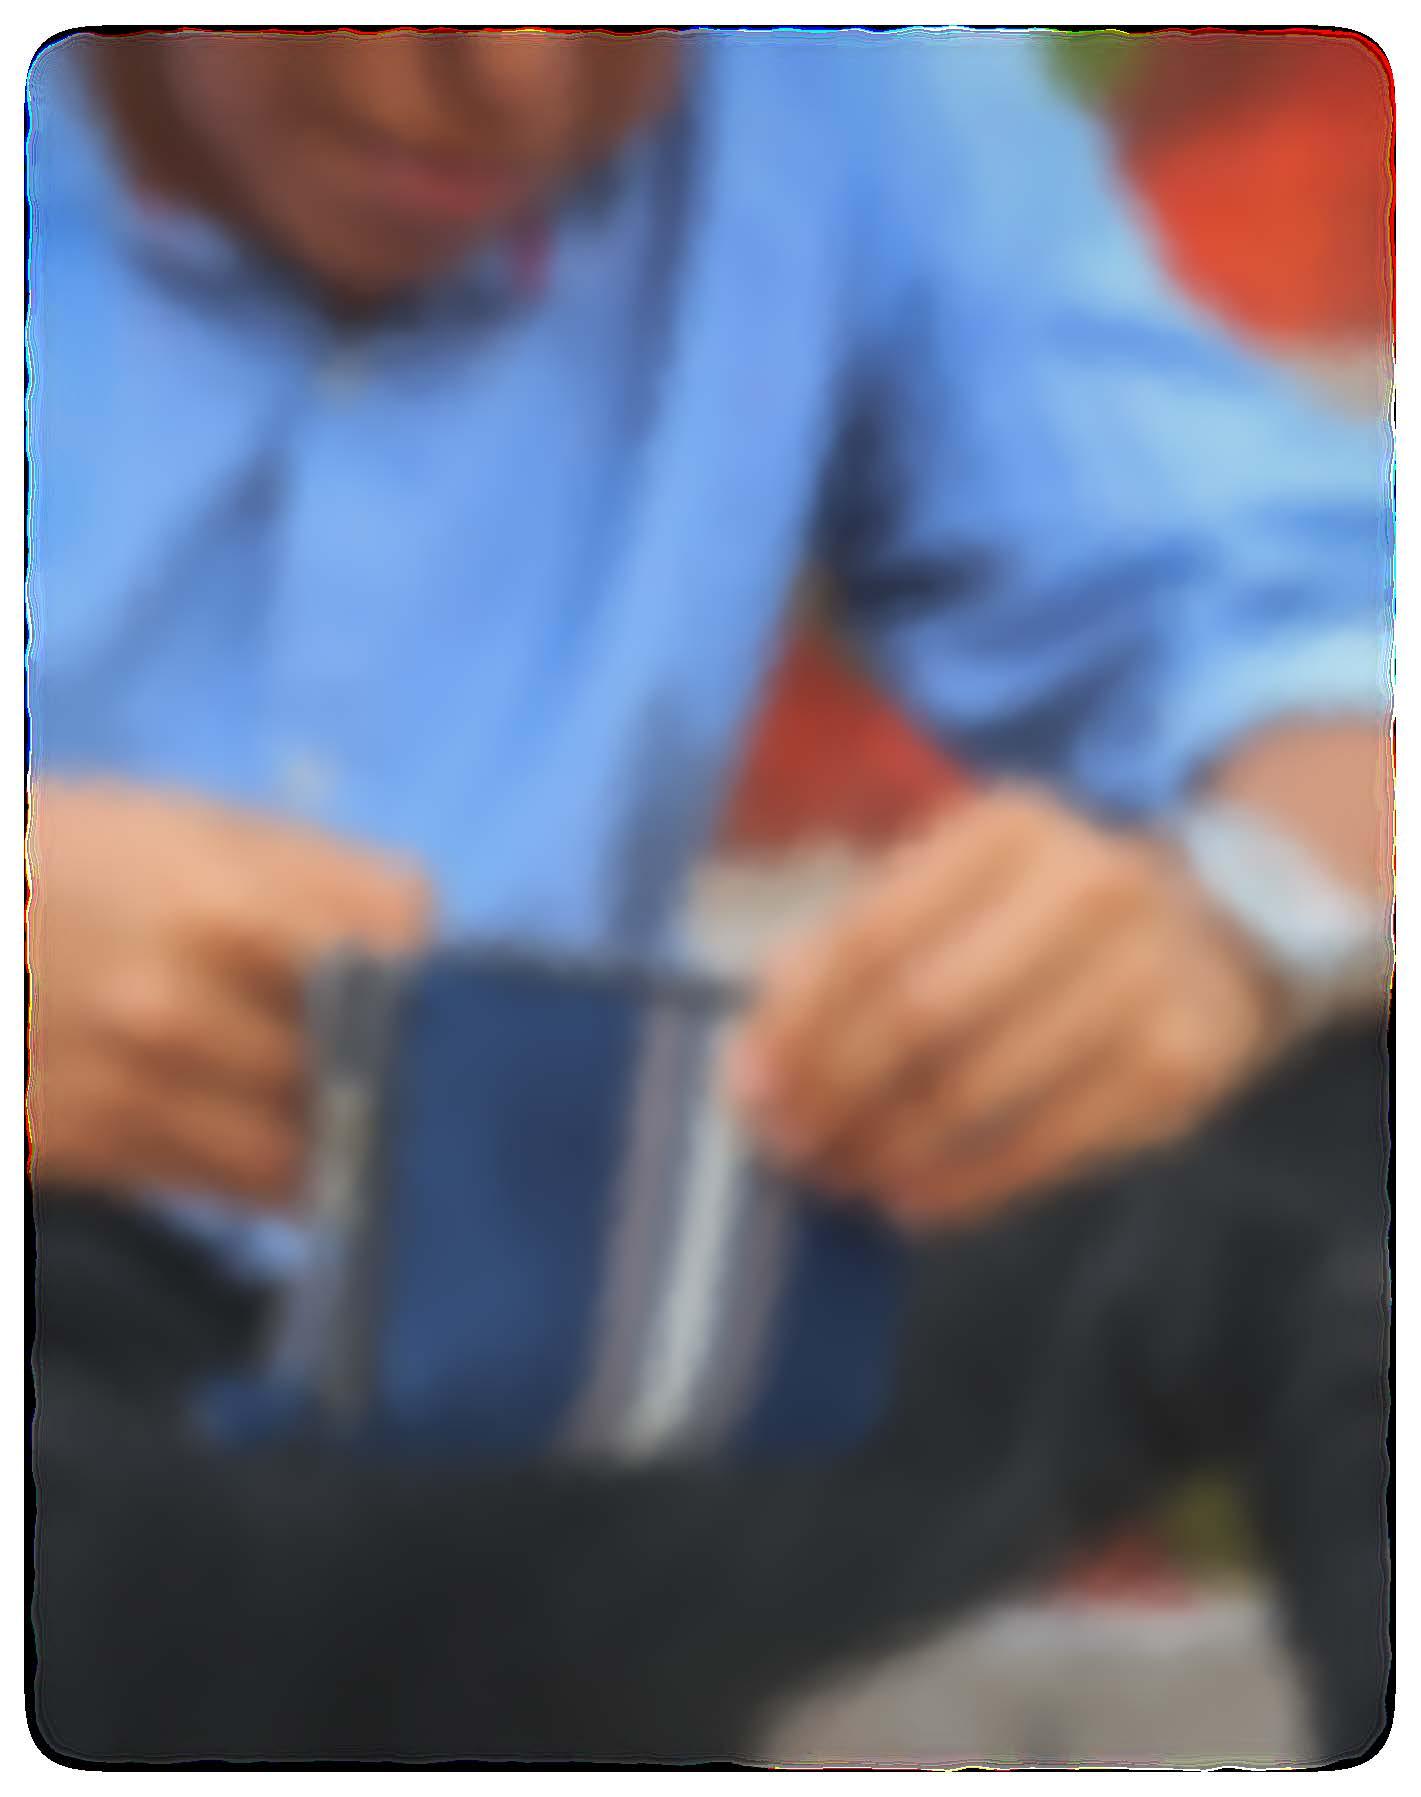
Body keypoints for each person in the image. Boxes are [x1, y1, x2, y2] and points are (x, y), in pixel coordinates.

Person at [27, 27, 1391, 1765]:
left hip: (527, 1369)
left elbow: (1320, 631)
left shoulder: (834, 92)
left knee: (1351, 1105)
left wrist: (1232, 922)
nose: (514, 73)